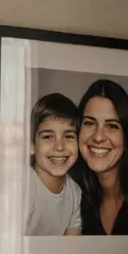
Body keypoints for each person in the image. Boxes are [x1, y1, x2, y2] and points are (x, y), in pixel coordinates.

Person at [73, 79, 128, 235]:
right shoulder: (74, 198)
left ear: (127, 136)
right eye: (89, 123)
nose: (98, 137)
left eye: (112, 126)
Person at [25, 93, 83, 236]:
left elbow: (72, 246)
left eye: (68, 136)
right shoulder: (23, 188)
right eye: (48, 137)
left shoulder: (74, 191)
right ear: (31, 145)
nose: (59, 147)